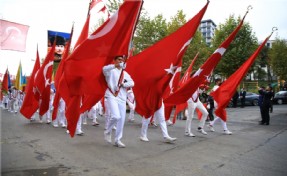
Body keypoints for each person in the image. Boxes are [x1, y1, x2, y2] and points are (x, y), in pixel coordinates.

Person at [103, 55, 134, 148]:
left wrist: (123, 84)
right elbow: (104, 69)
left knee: (121, 120)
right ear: (115, 60)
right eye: (119, 60)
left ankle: (117, 140)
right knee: (116, 116)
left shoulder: (125, 73)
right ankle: (107, 131)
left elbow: (132, 82)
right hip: (111, 95)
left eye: (122, 60)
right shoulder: (110, 70)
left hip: (122, 98)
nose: (121, 61)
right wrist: (115, 66)